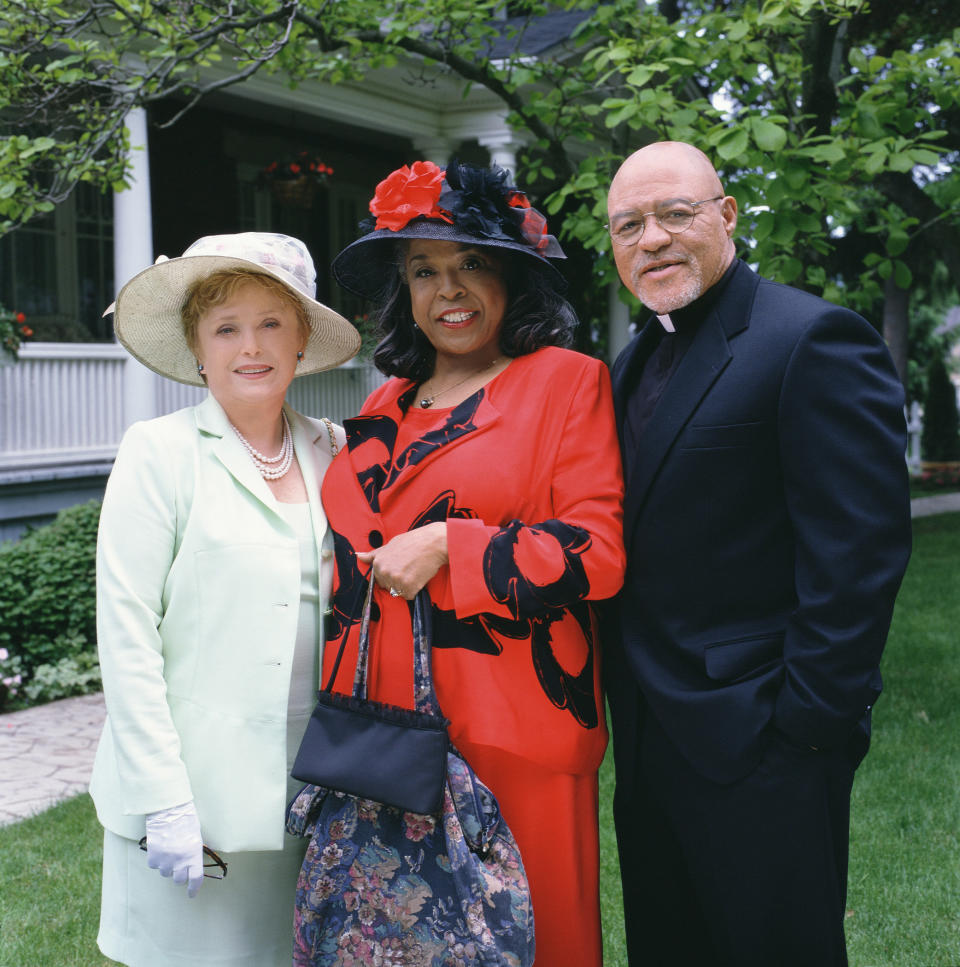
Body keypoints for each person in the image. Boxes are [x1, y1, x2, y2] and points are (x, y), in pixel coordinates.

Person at [296, 159, 625, 965]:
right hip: (386, 734)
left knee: (533, 942)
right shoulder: (385, 403)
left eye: (473, 263)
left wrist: (454, 544)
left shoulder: (565, 384)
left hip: (515, 729)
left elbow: (601, 553)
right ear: (404, 292)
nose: (451, 289)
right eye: (425, 271)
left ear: (513, 277)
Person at [603, 140, 913, 966]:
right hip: (648, 743)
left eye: (676, 213)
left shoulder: (812, 338)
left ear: (727, 215)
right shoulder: (631, 362)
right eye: (629, 224)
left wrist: (806, 727)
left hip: (764, 740)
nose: (653, 238)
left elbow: (859, 554)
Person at [90, 232, 361, 966]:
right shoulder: (158, 453)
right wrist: (164, 797)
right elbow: (125, 631)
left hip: (309, 796)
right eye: (227, 327)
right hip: (191, 805)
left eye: (272, 322)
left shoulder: (335, 449)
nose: (252, 346)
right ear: (198, 348)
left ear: (302, 339)